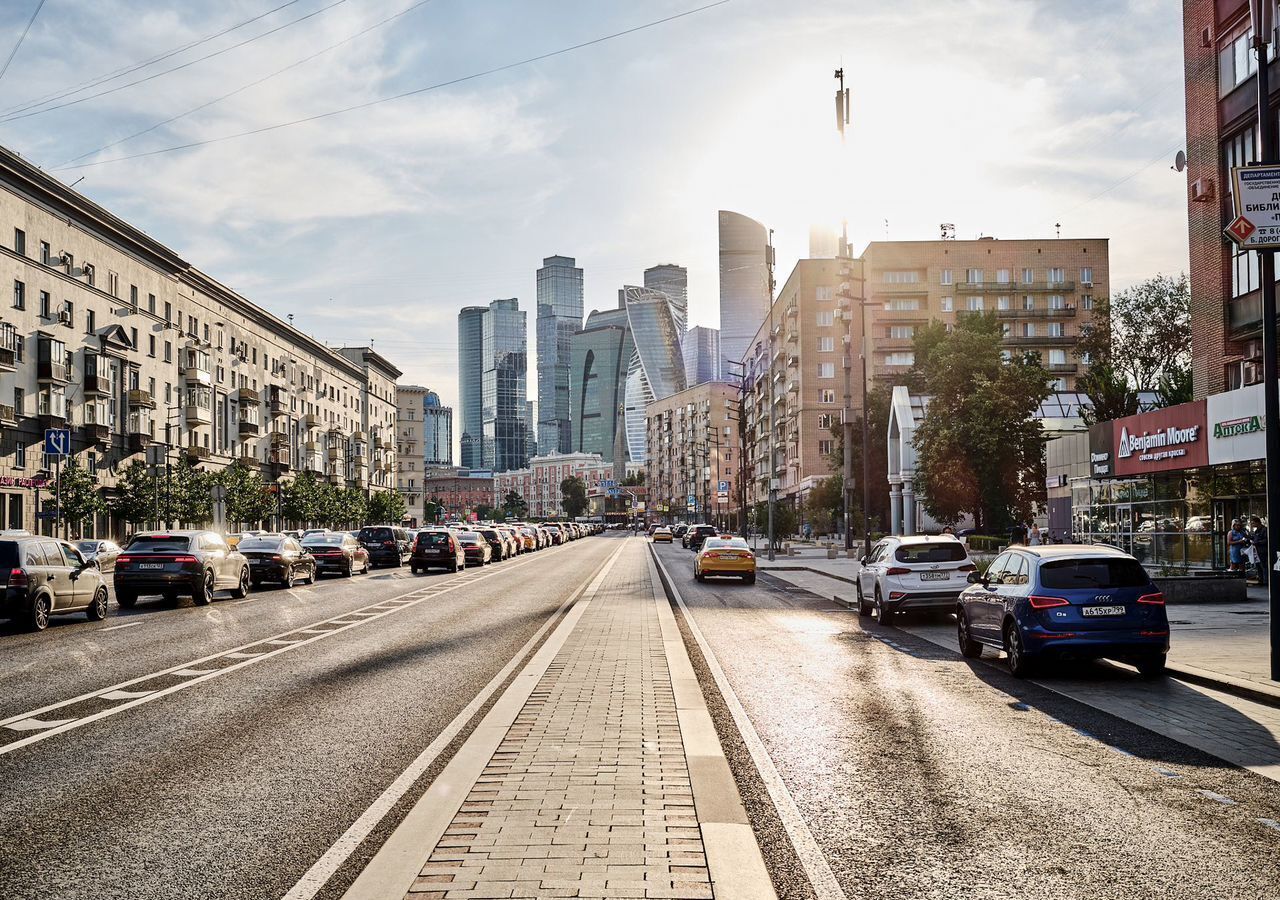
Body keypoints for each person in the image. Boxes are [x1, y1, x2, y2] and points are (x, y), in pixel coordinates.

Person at [1250, 516, 1269, 587]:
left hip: (1263, 551)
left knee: (1264, 566)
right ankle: (1261, 580)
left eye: (1253, 523)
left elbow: (1267, 540)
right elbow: (1255, 538)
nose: (1252, 524)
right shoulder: (1256, 531)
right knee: (1258, 566)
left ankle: (1265, 581)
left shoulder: (1264, 530)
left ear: (1257, 522)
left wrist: (1257, 542)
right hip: (1257, 551)